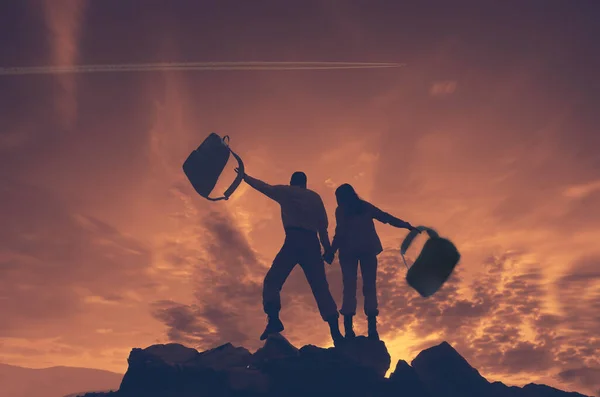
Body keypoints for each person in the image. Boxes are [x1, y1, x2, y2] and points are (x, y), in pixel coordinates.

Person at [236, 168, 344, 345]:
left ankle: (273, 319)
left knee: (272, 281)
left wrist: (245, 177)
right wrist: (328, 250)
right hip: (312, 242)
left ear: (292, 181)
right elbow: (322, 228)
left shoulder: (285, 191)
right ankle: (335, 332)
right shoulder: (315, 197)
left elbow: (264, 188)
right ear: (305, 183)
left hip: (293, 240)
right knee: (320, 287)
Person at [323, 183, 419, 340]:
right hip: (366, 249)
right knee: (369, 287)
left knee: (349, 287)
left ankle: (349, 329)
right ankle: (371, 329)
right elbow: (386, 217)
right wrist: (406, 225)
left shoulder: (342, 210)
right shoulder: (364, 207)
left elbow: (339, 233)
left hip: (349, 252)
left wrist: (331, 252)